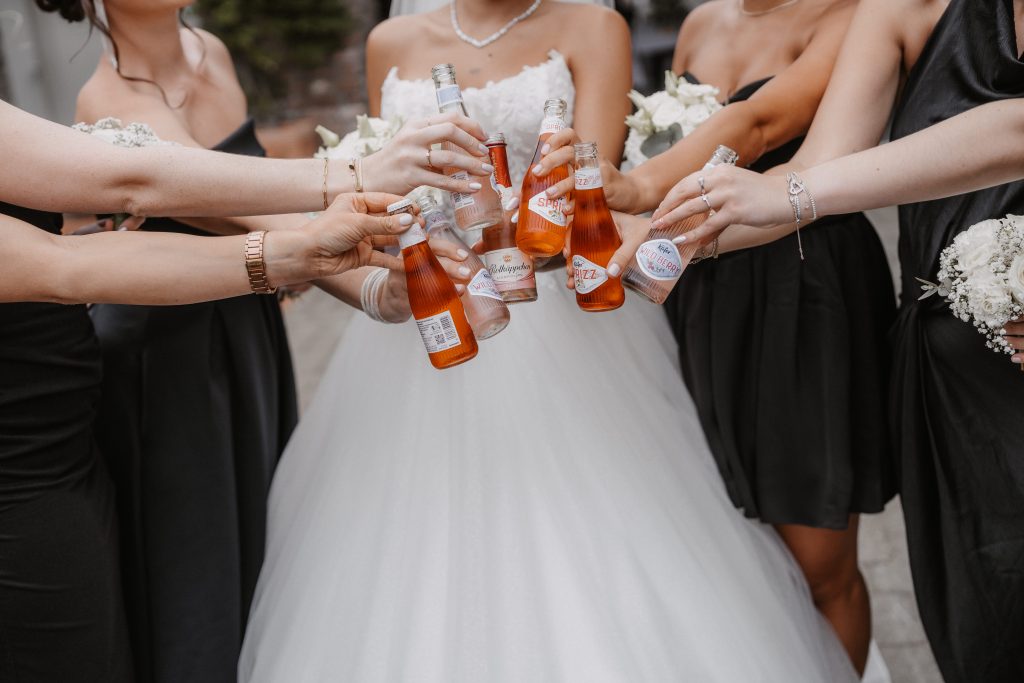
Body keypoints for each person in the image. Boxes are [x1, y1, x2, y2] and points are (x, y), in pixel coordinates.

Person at [238, 1, 858, 680]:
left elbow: (597, 201)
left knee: (598, 538)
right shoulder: (391, 39)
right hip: (425, 320)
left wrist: (508, 248)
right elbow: (383, 186)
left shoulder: (593, 26)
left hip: (562, 315)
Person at [0, 75, 480, 681]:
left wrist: (303, 254)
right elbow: (85, 235)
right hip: (19, 480)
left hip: (61, 448)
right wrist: (354, 175)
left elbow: (74, 257)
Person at [622, 1, 1024, 680]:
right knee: (980, 620)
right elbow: (809, 170)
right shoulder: (902, 7)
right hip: (950, 382)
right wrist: (659, 239)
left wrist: (794, 195)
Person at [534, 0, 895, 671]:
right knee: (731, 539)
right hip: (697, 282)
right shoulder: (699, 25)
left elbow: (757, 124)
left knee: (819, 560)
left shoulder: (847, 16)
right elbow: (666, 148)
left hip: (802, 281)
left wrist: (637, 188)